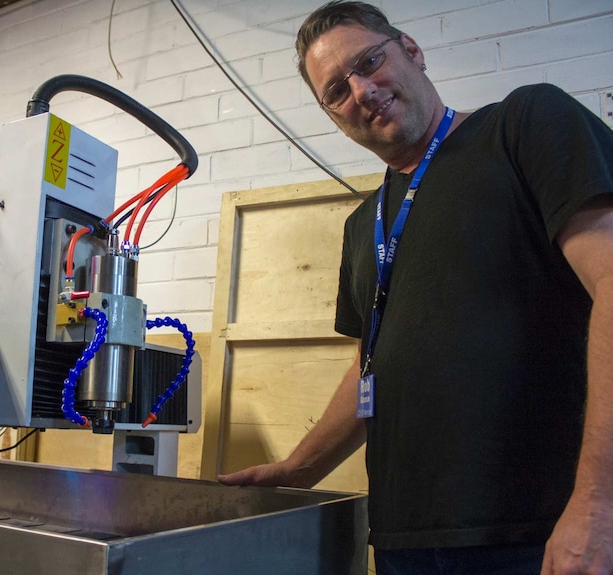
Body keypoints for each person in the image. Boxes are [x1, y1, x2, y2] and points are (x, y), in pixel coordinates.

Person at [217, 2, 613, 574]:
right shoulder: (363, 226)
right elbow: (370, 369)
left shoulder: (525, 124)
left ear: (411, 49)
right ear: (332, 114)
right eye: (336, 90)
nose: (362, 90)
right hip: (403, 540)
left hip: (539, 535)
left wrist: (599, 505)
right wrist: (300, 468)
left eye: (369, 61)